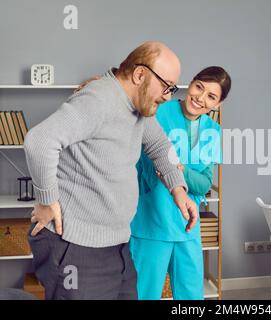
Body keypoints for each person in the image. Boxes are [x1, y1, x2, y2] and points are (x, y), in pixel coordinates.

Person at [24, 41, 198, 300]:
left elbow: (160, 145)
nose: (168, 96)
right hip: (76, 246)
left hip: (116, 245)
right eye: (166, 86)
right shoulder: (99, 99)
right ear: (140, 75)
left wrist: (178, 187)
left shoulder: (138, 108)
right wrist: (47, 201)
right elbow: (39, 141)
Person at [130, 66, 231, 299]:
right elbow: (142, 165)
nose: (200, 98)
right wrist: (170, 167)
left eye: (211, 96)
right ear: (191, 83)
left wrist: (177, 168)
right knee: (145, 294)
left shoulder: (212, 132)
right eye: (199, 87)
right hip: (151, 223)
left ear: (217, 104)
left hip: (187, 227)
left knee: (192, 298)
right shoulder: (157, 111)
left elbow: (204, 184)